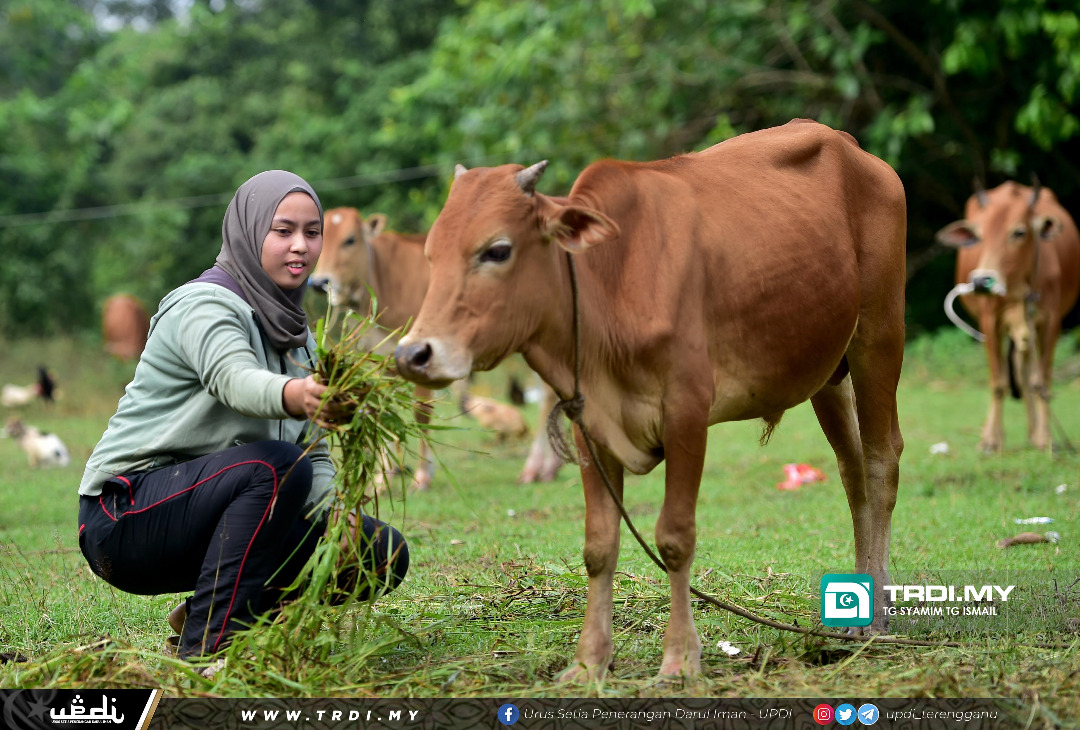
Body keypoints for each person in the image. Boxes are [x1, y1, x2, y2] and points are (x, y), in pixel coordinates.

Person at [78, 170, 408, 665]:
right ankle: (210, 647)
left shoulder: (298, 335)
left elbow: (313, 449)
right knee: (274, 467)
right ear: (250, 230)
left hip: (220, 514)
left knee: (377, 550)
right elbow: (233, 378)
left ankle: (216, 613)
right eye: (283, 231)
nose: (300, 246)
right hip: (127, 517)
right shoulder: (204, 304)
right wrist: (296, 393)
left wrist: (335, 514)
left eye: (311, 233)